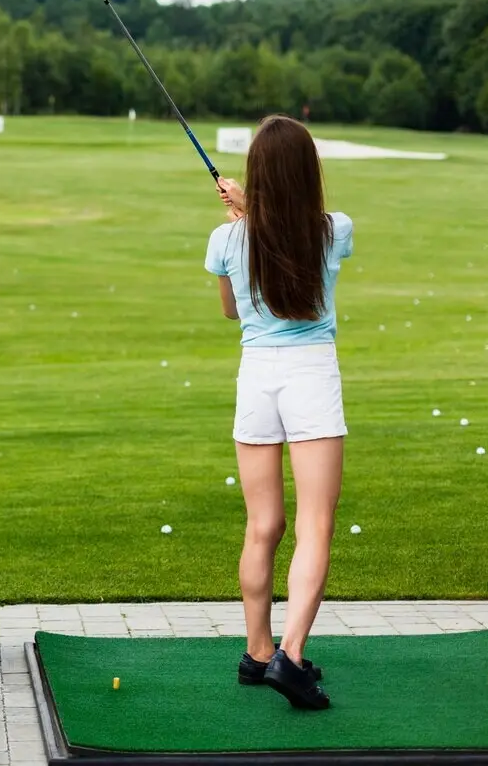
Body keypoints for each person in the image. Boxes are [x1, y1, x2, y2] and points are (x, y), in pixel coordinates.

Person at [202, 115, 353, 710]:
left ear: (253, 177)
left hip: (256, 378)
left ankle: (258, 651)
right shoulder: (334, 230)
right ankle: (289, 656)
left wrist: (244, 220)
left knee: (264, 525)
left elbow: (232, 313)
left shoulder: (226, 239)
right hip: (312, 376)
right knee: (316, 523)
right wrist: (259, 217)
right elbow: (297, 232)